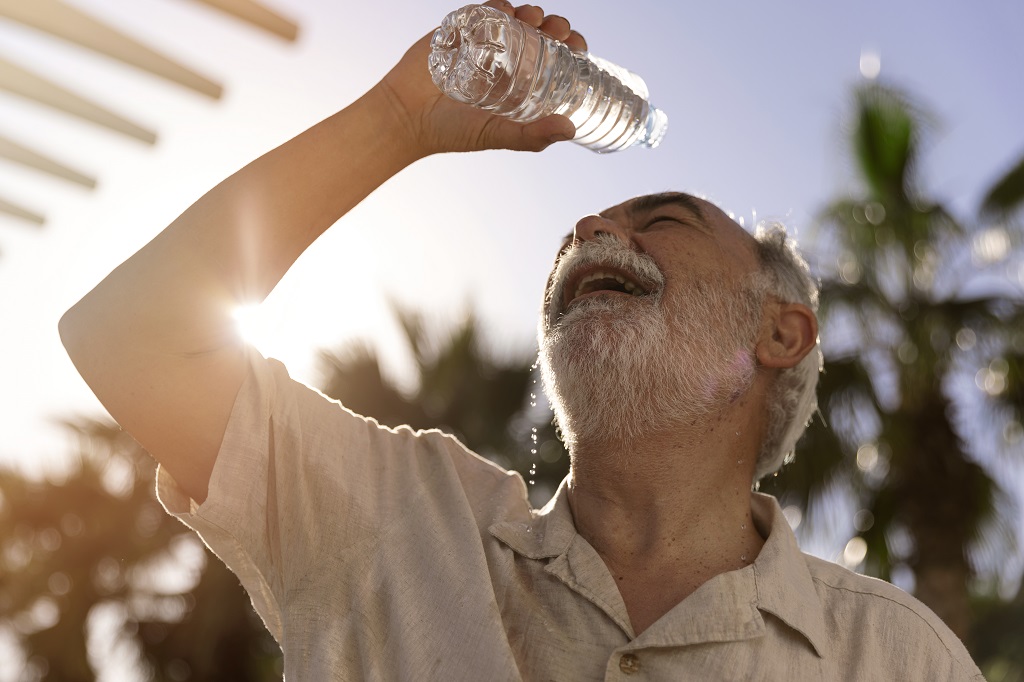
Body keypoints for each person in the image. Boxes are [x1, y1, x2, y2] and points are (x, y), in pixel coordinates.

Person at [60, 2, 983, 679]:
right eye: (573, 232)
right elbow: (131, 335)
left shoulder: (895, 656)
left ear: (780, 333)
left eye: (661, 217)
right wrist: (398, 120)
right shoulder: (397, 522)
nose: (586, 226)